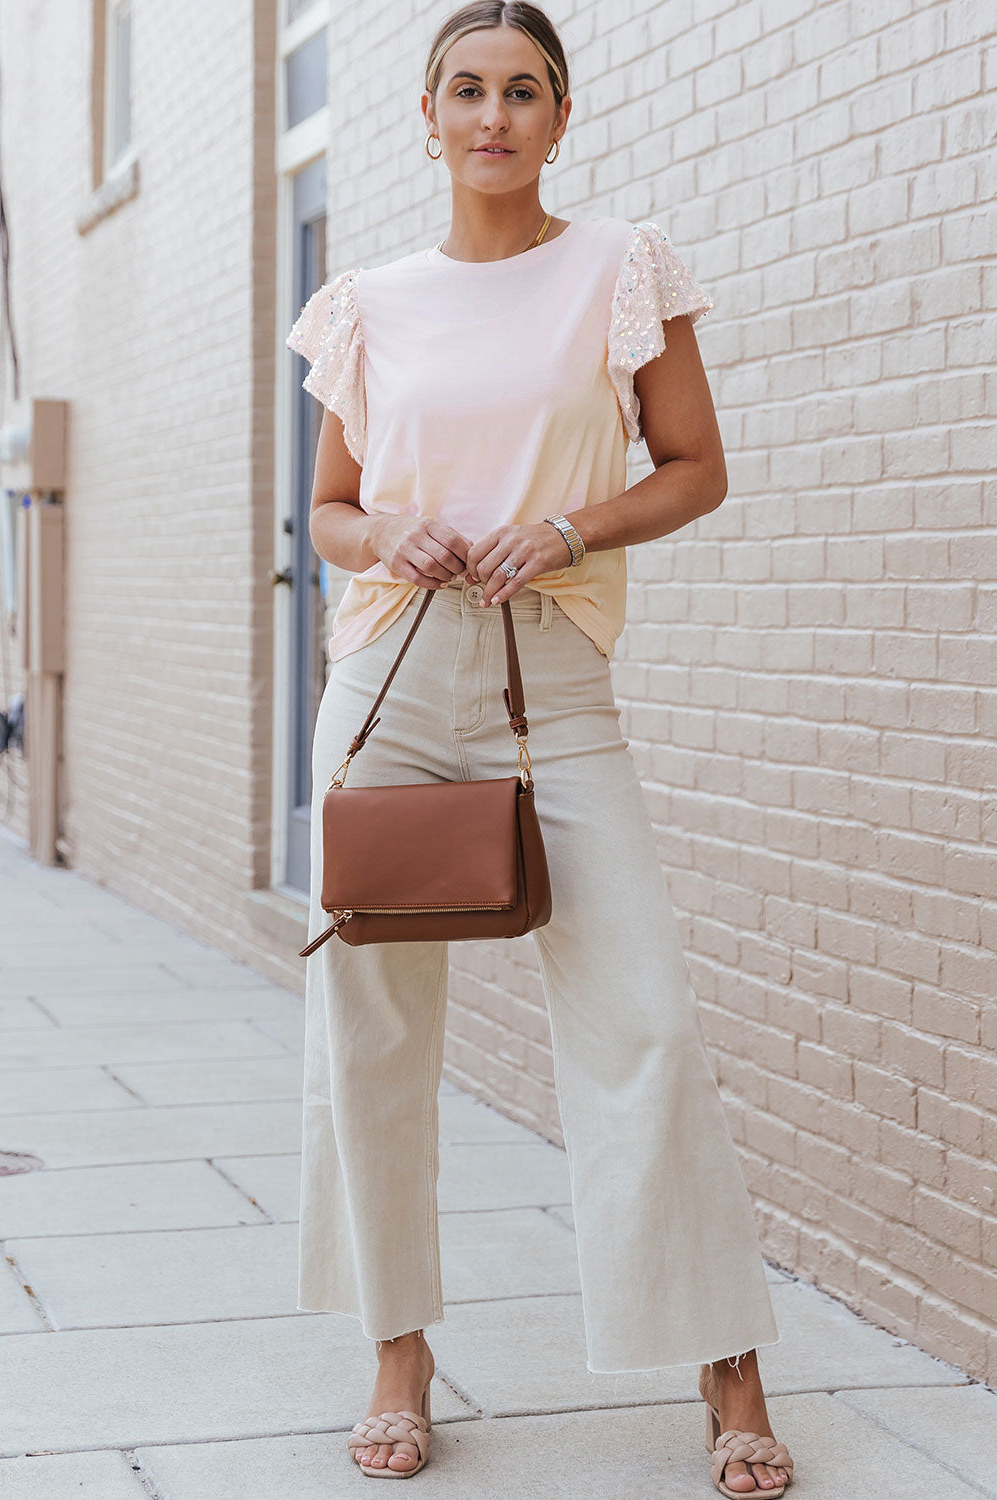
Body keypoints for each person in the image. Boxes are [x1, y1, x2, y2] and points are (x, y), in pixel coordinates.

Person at [286, 2, 795, 1492]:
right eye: (467, 89)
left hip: (550, 684)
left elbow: (695, 466)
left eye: (523, 90)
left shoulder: (615, 267)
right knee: (371, 1030)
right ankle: (395, 1349)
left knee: (645, 1020)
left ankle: (724, 1360)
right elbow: (325, 512)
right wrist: (387, 527)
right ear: (425, 114)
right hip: (388, 675)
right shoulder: (367, 300)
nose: (493, 114)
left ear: (559, 116)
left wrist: (570, 521)